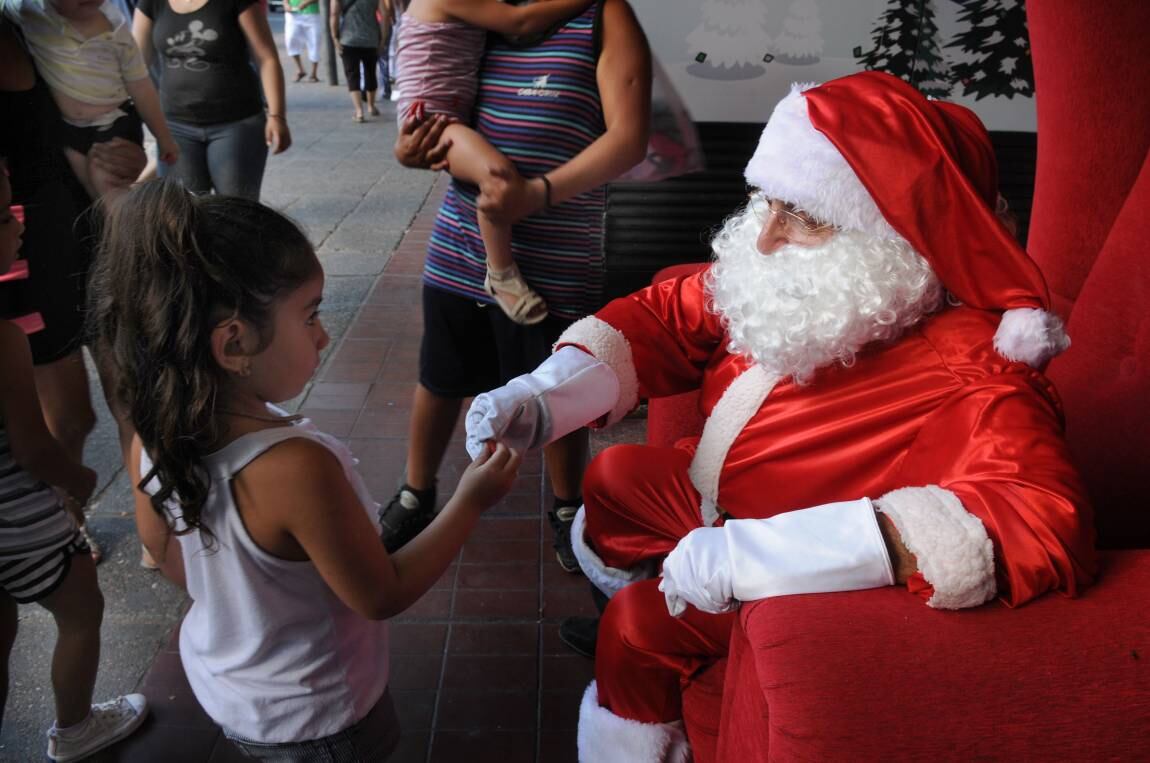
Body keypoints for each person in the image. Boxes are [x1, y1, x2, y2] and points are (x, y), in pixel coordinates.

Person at [464, 71, 1097, 760]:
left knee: (635, 626)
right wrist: (544, 393)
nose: (763, 239)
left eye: (804, 215)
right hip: (712, 500)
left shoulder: (974, 374)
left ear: (898, 239)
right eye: (768, 201)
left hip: (774, 559)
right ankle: (655, 580)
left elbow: (1039, 513)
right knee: (613, 480)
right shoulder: (802, 278)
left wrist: (753, 558)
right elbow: (667, 315)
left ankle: (639, 721)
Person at [88, 180, 522, 759]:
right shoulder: (296, 467)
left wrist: (246, 593)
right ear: (233, 343)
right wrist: (470, 500)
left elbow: (168, 557)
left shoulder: (154, 428)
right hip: (320, 716)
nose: (324, 333)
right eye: (310, 315)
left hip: (234, 691)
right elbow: (381, 594)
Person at [384, 0, 651, 573]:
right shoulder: (480, 16)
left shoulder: (604, 16)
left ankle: (565, 508)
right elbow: (435, 103)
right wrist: (410, 150)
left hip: (559, 249)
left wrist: (539, 193)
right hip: (463, 241)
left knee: (557, 385)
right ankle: (415, 493)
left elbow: (629, 138)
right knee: (440, 375)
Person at [0, 163, 149, 763]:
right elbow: (33, 447)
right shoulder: (4, 338)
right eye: (5, 214)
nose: (18, 225)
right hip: (19, 515)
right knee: (81, 608)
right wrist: (78, 479)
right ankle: (76, 729)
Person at [0, 17, 148, 565]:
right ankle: (60, 527)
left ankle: (155, 529)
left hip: (90, 236)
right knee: (70, 417)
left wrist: (124, 148)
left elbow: (104, 107)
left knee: (131, 394)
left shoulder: (34, 22)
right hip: (25, 268)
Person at [394, 0, 597, 325]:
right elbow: (518, 21)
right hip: (433, 121)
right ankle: (501, 274)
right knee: (497, 177)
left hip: (452, 113)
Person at [3, 0, 176, 200]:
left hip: (113, 123)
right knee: (95, 199)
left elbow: (141, 86)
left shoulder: (115, 26)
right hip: (69, 130)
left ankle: (123, 228)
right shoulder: (29, 11)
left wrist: (164, 138)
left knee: (109, 191)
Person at [132, 0, 291, 199]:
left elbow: (266, 58)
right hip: (175, 127)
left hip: (236, 124)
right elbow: (136, 65)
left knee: (234, 212)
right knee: (179, 212)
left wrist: (277, 116)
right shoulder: (152, 4)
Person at [330, 0, 386, 122]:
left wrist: (334, 36)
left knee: (352, 75)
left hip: (348, 39)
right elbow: (384, 15)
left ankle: (359, 111)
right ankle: (371, 106)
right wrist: (382, 39)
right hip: (371, 39)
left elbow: (334, 14)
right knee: (370, 73)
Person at [283, 0, 320, 82]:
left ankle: (314, 73)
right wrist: (285, 4)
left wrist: (307, 2)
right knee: (290, 40)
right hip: (293, 13)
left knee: (314, 42)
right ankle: (300, 69)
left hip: (312, 14)